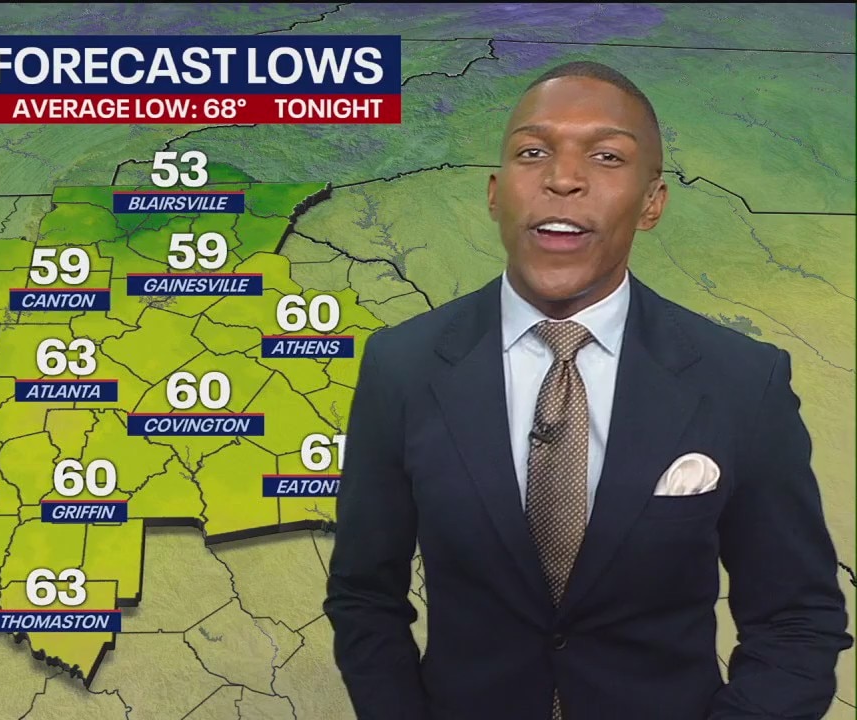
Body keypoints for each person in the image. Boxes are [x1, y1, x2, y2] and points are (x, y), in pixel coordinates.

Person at [323, 60, 851, 720]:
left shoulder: (743, 382)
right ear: (495, 193)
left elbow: (796, 620)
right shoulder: (402, 367)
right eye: (532, 152)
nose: (563, 178)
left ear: (652, 203)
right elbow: (364, 597)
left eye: (606, 156)